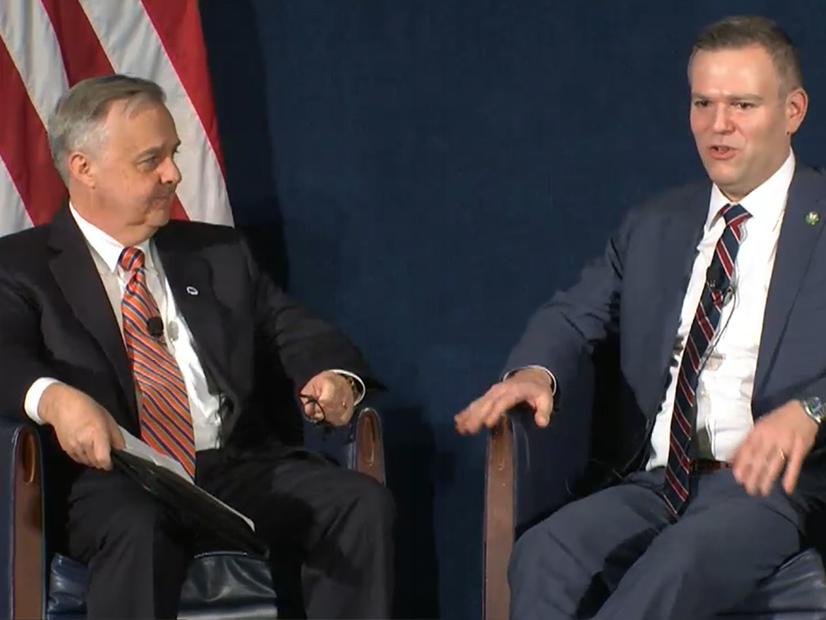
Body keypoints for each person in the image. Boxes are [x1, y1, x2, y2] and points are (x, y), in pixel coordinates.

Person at [456, 14, 826, 620]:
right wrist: (534, 373)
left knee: (671, 568)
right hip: (660, 481)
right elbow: (575, 312)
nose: (718, 125)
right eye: (703, 102)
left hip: (769, 487)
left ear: (793, 110)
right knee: (542, 553)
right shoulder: (656, 223)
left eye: (743, 104)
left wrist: (811, 409)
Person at [0, 74, 394, 620]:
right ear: (83, 168)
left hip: (229, 467)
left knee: (358, 504)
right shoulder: (21, 267)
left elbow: (293, 328)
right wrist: (55, 399)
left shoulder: (219, 253)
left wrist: (331, 375)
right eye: (150, 160)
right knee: (140, 524)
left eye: (174, 154)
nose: (174, 174)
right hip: (114, 477)